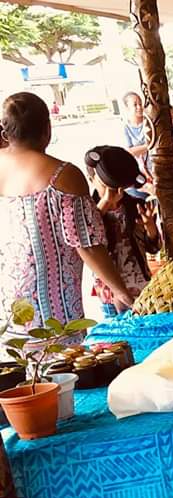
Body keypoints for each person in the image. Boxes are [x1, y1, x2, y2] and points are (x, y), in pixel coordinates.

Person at [0, 93, 133, 331]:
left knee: (23, 365)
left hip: (8, 307)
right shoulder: (63, 175)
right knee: (62, 363)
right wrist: (120, 291)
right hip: (54, 308)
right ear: (47, 128)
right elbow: (87, 245)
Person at [84, 146, 159, 315]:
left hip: (141, 287)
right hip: (109, 293)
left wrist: (151, 229)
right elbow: (85, 239)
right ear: (92, 179)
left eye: (120, 188)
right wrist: (104, 203)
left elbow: (153, 248)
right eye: (108, 186)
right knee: (117, 339)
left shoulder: (134, 205)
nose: (117, 193)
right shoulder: (89, 209)